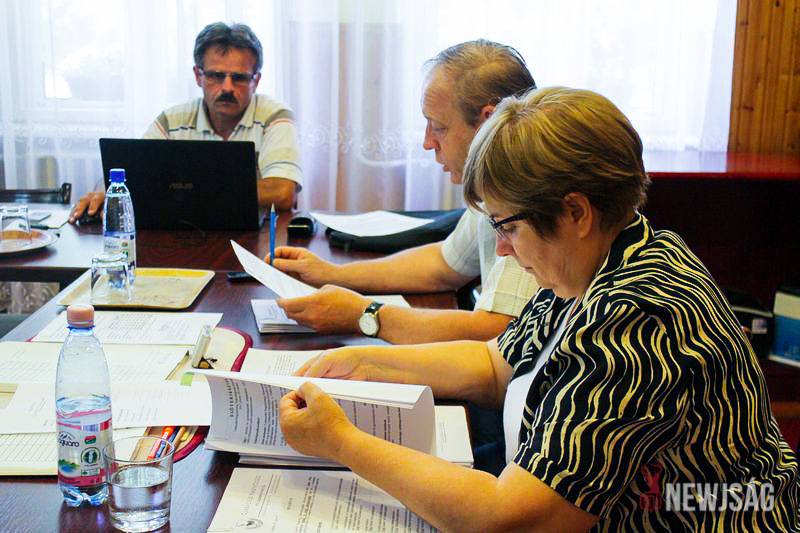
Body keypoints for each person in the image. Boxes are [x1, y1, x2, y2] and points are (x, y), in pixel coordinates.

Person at [278, 87, 800, 531]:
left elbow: (512, 518)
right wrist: (366, 363)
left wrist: (341, 442)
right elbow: (496, 363)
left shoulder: (639, 318)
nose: (501, 248)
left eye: (507, 226)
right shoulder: (598, 258)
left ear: (575, 212)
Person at [271, 40, 539, 345]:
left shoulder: (528, 190)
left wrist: (363, 315)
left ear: (487, 122)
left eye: (438, 127)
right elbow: (444, 264)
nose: (427, 142)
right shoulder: (491, 186)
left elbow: (502, 332)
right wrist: (331, 274)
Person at [69, 22, 301, 222]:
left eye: (239, 78)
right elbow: (131, 175)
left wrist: (191, 188)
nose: (227, 87)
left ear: (255, 81)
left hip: (255, 238)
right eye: (216, 75)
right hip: (183, 233)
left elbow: (283, 192)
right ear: (198, 76)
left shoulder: (275, 117)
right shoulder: (172, 121)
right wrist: (104, 193)